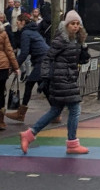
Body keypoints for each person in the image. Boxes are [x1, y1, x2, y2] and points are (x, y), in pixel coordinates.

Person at [20, 10, 91, 156]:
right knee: (75, 109)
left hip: (68, 78)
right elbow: (48, 58)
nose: (75, 26)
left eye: (77, 24)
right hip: (61, 79)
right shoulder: (61, 40)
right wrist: (45, 78)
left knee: (55, 111)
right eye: (72, 23)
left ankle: (29, 134)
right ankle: (72, 143)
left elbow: (83, 60)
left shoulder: (76, 40)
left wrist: (84, 47)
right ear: (66, 25)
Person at [5, 11, 50, 125]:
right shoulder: (33, 31)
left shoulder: (26, 33)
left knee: (29, 84)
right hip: (46, 59)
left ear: (23, 22)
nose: (17, 25)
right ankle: (56, 112)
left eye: (18, 23)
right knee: (43, 87)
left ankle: (21, 114)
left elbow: (24, 53)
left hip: (41, 61)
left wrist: (14, 66)